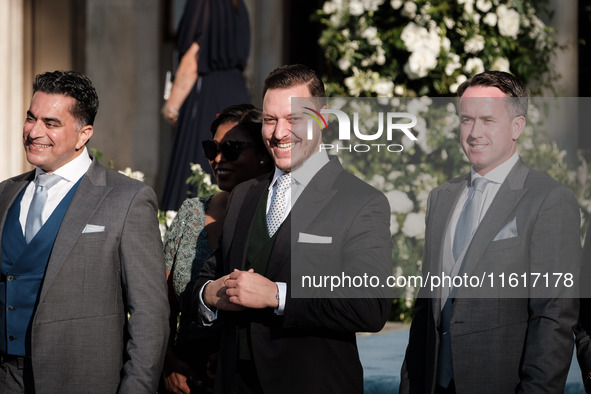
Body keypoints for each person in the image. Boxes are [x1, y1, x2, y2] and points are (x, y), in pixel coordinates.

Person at [193, 64, 393, 393]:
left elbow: (368, 305)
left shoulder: (361, 201)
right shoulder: (244, 194)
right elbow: (211, 274)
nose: (279, 133)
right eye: (271, 120)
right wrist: (209, 294)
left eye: (293, 119)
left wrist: (276, 295)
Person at [400, 71, 581, 393]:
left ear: (517, 126)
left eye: (487, 120)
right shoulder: (441, 197)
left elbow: (553, 315)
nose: (474, 132)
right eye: (466, 119)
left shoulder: (548, 200)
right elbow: (425, 310)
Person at [0, 70, 169, 393]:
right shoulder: (5, 194)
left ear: (83, 134)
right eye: (30, 118)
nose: (34, 131)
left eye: (51, 123)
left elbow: (150, 314)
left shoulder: (127, 199)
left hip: (80, 380)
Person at [162, 104, 273, 393]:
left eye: (233, 149)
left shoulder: (276, 219)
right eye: (212, 149)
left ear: (263, 153)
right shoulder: (192, 212)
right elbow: (159, 305)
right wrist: (168, 363)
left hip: (250, 375)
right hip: (183, 375)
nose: (218, 159)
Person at [160, 0, 251, 211]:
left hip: (208, 95)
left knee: (198, 169)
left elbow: (194, 56)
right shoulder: (239, 5)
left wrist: (172, 105)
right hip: (236, 92)